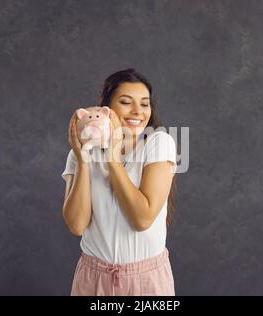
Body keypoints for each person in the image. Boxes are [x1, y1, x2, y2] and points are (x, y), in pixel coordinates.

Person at [61, 68, 178, 296]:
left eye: (145, 104)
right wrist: (83, 161)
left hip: (145, 281)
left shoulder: (158, 143)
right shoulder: (81, 153)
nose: (138, 111)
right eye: (126, 102)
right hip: (92, 278)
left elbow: (142, 218)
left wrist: (112, 160)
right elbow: (76, 225)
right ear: (107, 109)